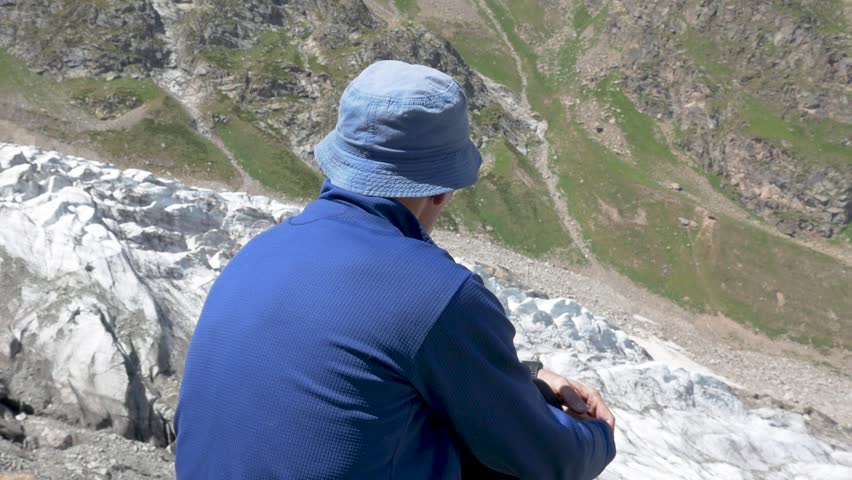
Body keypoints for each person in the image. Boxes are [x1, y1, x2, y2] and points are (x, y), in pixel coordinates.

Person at [174, 60, 616, 479]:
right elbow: (547, 458)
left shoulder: (258, 252)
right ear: (441, 190)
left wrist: (531, 379)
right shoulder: (439, 293)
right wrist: (597, 432)